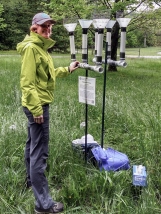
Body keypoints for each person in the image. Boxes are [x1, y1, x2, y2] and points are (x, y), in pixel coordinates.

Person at [17, 12, 79, 214]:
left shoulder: (39, 48)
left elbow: (47, 75)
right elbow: (27, 83)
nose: (48, 30)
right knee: (39, 152)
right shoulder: (31, 49)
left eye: (50, 26)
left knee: (32, 144)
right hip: (38, 106)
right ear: (34, 28)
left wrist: (68, 69)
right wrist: (36, 109)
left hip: (37, 104)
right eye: (44, 26)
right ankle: (43, 205)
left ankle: (30, 180)